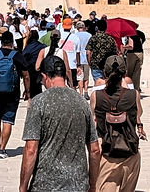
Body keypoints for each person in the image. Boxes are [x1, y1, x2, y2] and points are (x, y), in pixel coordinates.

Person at [20, 56, 101, 192]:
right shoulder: (81, 102)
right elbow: (94, 150)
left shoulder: (39, 103)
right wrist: (92, 185)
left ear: (45, 77)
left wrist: (23, 186)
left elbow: (31, 149)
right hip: (78, 184)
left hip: (45, 184)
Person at [91, 54, 145, 192]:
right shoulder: (134, 95)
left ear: (105, 72)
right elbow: (139, 114)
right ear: (124, 72)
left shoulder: (96, 96)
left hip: (107, 154)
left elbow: (92, 121)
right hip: (130, 152)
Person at [0, 31, 30, 159]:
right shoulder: (18, 56)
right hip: (12, 92)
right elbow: (26, 75)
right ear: (12, 42)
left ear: (1, 41)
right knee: (8, 120)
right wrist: (27, 91)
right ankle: (3, 149)